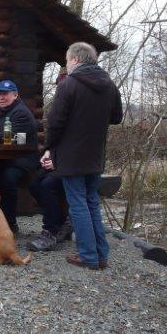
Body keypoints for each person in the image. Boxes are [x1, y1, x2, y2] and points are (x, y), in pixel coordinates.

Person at [43, 42, 123, 270]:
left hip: (72, 156)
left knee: (78, 204)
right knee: (91, 203)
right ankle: (101, 255)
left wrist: (49, 147)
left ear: (76, 59)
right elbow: (116, 117)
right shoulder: (109, 85)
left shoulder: (68, 85)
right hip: (96, 154)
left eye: (67, 60)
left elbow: (55, 122)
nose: (67, 65)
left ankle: (88, 255)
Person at [0, 79, 38, 236]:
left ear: (15, 95)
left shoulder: (21, 113)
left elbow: (7, 137)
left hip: (22, 161)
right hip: (3, 159)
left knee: (7, 178)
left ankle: (9, 223)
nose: (1, 97)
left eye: (5, 94)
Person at [25, 168, 72, 252]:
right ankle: (63, 223)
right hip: (58, 166)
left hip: (73, 168)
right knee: (33, 184)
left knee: (47, 184)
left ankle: (50, 232)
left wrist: (55, 163)